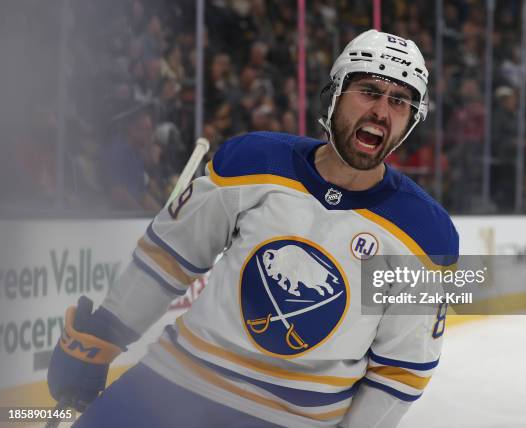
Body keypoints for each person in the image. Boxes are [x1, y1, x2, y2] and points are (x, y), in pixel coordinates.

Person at [48, 30, 458, 428]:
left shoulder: (427, 235)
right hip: (171, 385)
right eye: (368, 91)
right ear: (334, 94)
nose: (382, 112)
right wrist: (102, 335)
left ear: (411, 120)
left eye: (400, 102)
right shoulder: (252, 161)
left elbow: (401, 371)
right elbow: (169, 259)